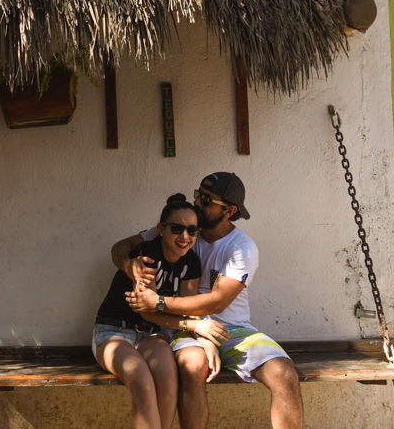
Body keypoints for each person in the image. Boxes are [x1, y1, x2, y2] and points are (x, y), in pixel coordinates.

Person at [119, 172, 303, 429]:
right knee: (194, 367)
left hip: (233, 329)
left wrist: (158, 302)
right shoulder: (182, 228)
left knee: (285, 373)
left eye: (206, 200)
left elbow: (216, 303)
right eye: (198, 195)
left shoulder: (242, 247)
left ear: (229, 211)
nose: (198, 204)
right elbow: (121, 247)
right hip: (183, 326)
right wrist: (131, 265)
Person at [93, 194, 229, 429]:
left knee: (168, 379)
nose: (184, 237)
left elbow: (188, 309)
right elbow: (147, 310)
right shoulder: (146, 256)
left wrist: (205, 340)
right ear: (161, 229)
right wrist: (195, 326)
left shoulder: (191, 263)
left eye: (192, 230)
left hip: (151, 335)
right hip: (114, 331)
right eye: (177, 228)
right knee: (141, 379)